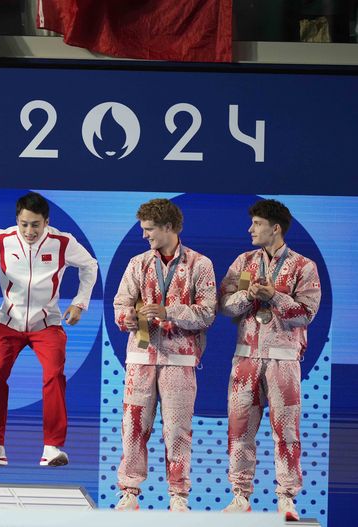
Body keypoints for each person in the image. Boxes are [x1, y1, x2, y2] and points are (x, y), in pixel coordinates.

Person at [0, 192, 98, 467]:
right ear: (17, 219)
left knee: (54, 376)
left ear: (47, 222)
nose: (29, 231)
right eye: (24, 224)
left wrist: (80, 303)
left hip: (47, 324)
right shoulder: (2, 239)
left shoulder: (63, 242)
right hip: (8, 323)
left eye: (36, 225)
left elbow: (90, 266)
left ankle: (52, 447)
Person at [220, 199, 321, 522]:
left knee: (286, 432)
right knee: (239, 430)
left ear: (274, 228)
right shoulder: (243, 262)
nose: (250, 229)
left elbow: (305, 314)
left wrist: (273, 296)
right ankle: (240, 495)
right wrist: (249, 295)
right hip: (245, 358)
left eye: (257, 224)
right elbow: (224, 305)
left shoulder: (304, 267)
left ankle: (286, 499)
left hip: (284, 361)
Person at [112, 198, 216, 512]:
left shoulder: (201, 264)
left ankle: (179, 496)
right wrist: (128, 318)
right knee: (133, 427)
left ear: (168, 227)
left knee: (177, 429)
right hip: (141, 357)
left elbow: (208, 313)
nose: (145, 235)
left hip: (180, 359)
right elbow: (120, 305)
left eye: (149, 229)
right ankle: (129, 492)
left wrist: (168, 311)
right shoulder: (138, 264)